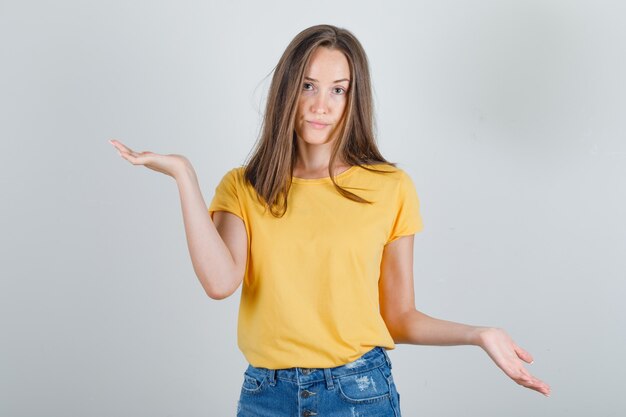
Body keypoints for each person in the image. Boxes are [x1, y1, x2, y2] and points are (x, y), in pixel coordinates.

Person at [109, 24, 550, 416]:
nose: (321, 105)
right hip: (267, 395)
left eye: (338, 89)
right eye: (307, 86)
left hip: (358, 392)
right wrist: (184, 176)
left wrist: (480, 334)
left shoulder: (390, 187)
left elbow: (397, 317)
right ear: (287, 91)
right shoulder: (245, 186)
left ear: (352, 99)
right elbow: (219, 282)